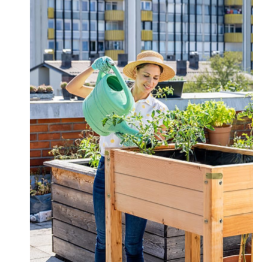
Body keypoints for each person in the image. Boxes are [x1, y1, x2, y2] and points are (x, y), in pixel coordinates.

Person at [66, 50, 176, 262]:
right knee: (104, 239)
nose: (151, 82)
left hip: (138, 176)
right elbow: (72, 88)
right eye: (146, 75)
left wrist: (136, 137)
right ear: (135, 73)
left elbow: (157, 147)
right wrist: (94, 67)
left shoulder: (159, 110)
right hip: (106, 171)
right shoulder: (111, 96)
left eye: (155, 78)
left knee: (133, 244)